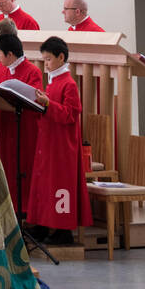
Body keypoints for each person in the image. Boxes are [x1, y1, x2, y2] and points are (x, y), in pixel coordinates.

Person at [25, 36, 92, 246]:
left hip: (63, 146)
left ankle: (63, 230)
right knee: (45, 184)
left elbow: (71, 114)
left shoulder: (69, 84)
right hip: (49, 141)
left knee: (60, 187)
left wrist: (47, 104)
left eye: (48, 59)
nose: (45, 64)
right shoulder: (54, 81)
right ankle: (42, 225)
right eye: (43, 59)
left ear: (61, 57)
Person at [0, 32, 43, 210]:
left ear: (10, 54)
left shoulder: (32, 71)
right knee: (6, 169)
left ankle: (26, 212)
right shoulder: (3, 68)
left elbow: (35, 100)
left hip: (22, 128)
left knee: (22, 169)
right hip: (4, 126)